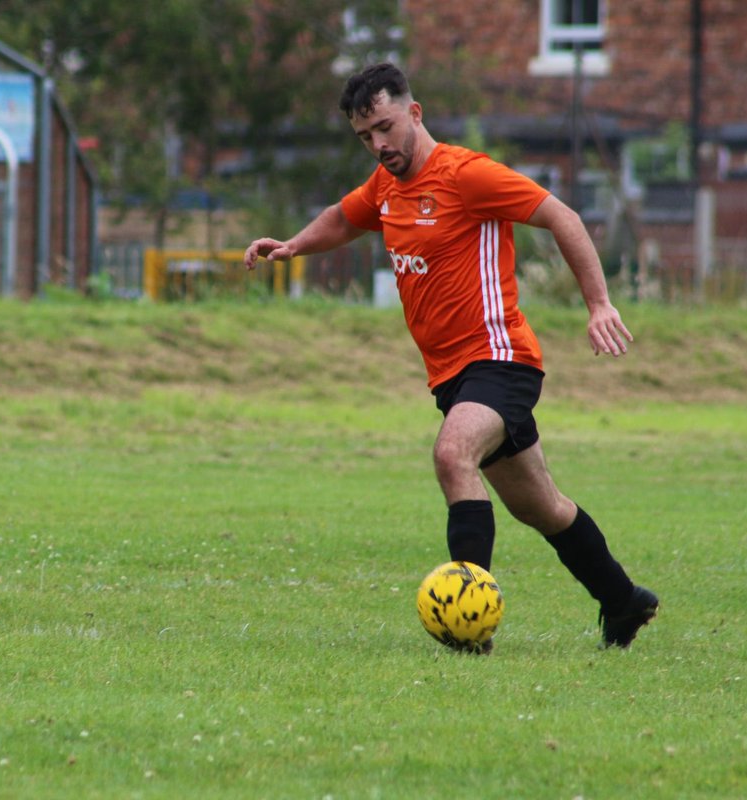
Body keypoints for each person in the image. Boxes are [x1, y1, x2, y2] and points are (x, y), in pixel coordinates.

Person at [244, 63, 657, 651]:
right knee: (541, 507)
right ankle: (624, 602)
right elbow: (345, 217)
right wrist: (293, 246)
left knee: (451, 453)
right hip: (453, 377)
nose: (379, 144)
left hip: (501, 358)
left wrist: (598, 303)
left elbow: (560, 215)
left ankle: (467, 628)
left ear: (414, 112)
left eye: (385, 127)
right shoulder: (386, 183)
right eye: (365, 136)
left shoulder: (466, 175)